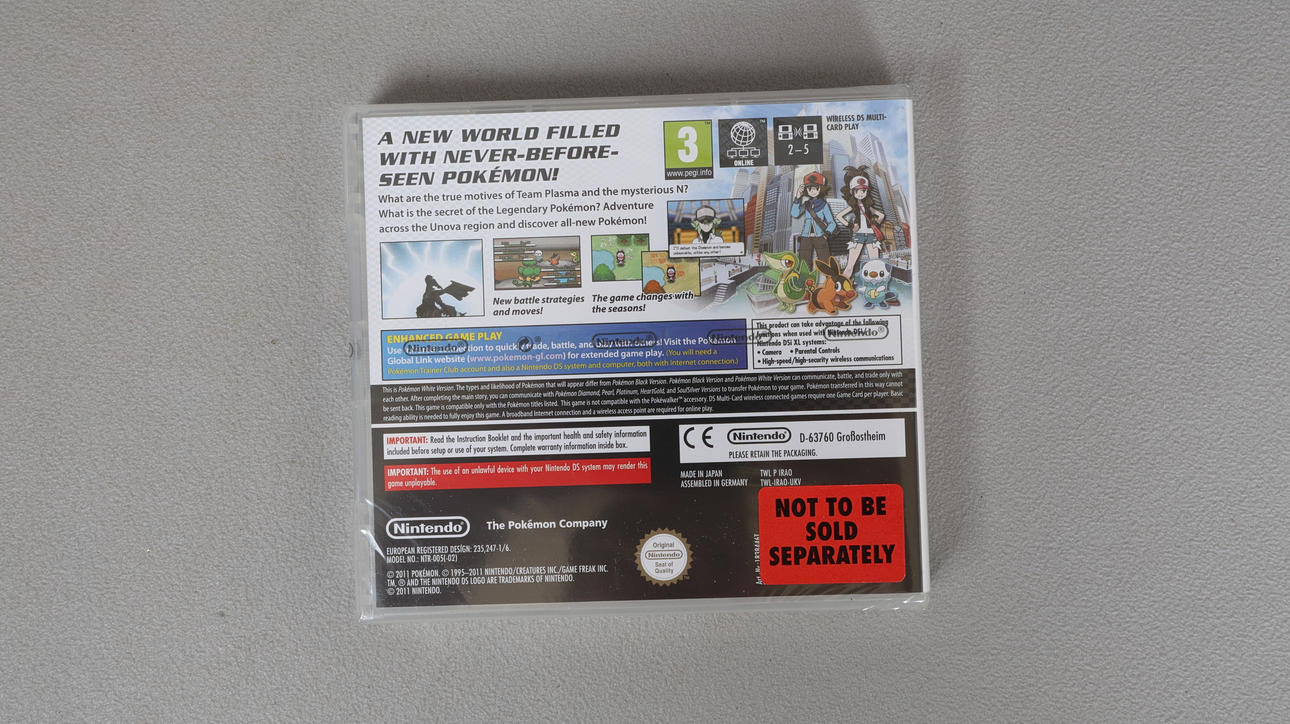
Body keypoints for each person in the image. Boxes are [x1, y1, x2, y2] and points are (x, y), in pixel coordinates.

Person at [838, 166, 886, 279]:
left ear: (866, 191)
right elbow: (839, 216)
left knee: (875, 264)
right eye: (857, 191)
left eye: (863, 191)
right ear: (852, 191)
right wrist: (851, 226)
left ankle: (876, 286)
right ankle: (844, 284)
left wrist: (875, 225)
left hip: (871, 235)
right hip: (858, 235)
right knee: (850, 265)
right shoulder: (853, 206)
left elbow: (881, 215)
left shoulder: (868, 206)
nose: (860, 193)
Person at [790, 171, 838, 281]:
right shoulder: (806, 204)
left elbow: (832, 223)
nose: (812, 191)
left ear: (820, 189)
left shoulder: (824, 205)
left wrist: (826, 234)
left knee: (826, 263)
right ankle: (803, 285)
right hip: (805, 237)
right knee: (803, 264)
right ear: (806, 190)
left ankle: (832, 283)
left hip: (820, 236)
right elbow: (795, 213)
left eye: (815, 188)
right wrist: (798, 197)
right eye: (809, 188)